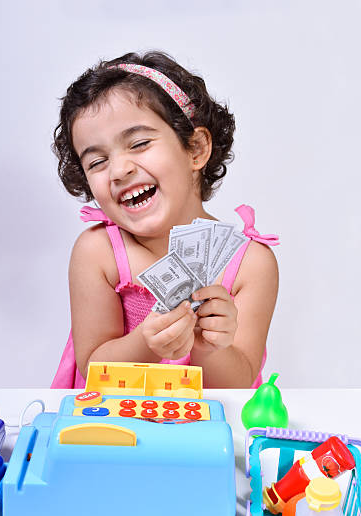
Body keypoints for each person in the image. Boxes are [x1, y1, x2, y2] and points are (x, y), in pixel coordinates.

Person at [51, 51, 279, 389]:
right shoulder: (97, 252)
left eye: (139, 143)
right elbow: (93, 370)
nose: (119, 170)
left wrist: (212, 346)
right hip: (113, 424)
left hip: (203, 428)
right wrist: (147, 341)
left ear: (196, 148)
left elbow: (236, 384)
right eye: (97, 162)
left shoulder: (251, 264)